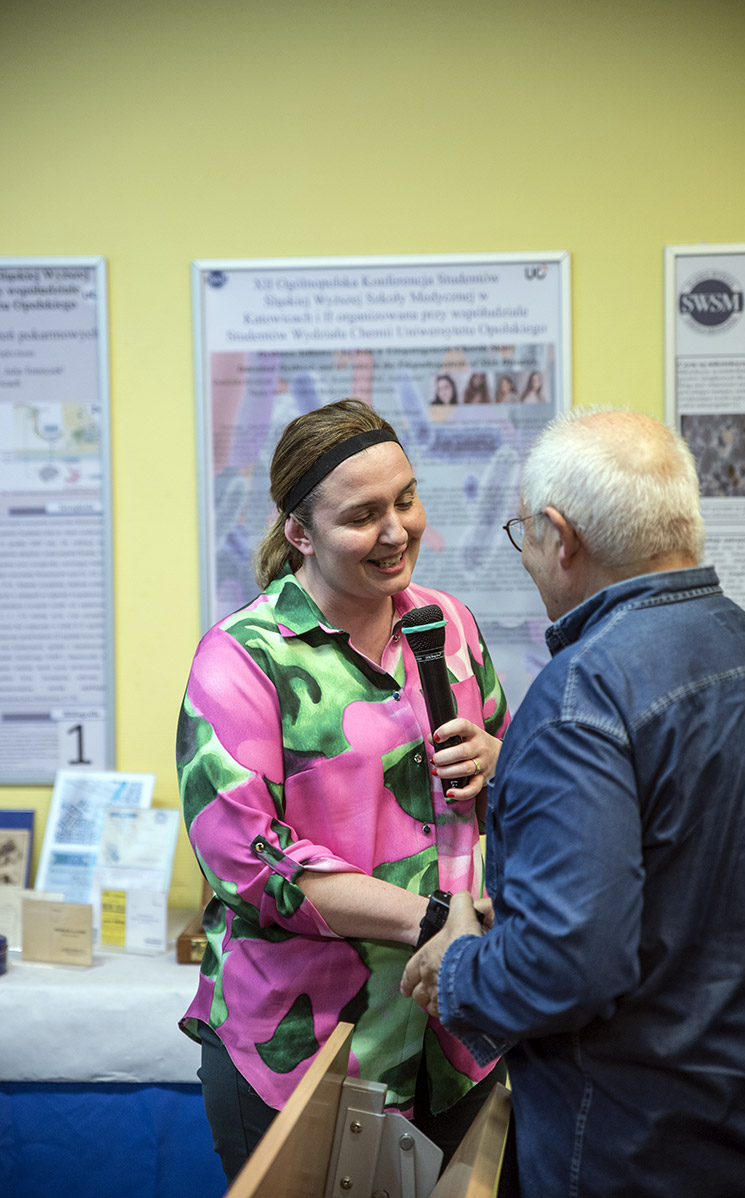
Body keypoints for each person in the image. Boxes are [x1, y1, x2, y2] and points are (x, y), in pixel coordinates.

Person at [402, 409, 745, 1197]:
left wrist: (460, 969)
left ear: (561, 536)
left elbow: (567, 967)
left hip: (635, 1149)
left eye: (524, 534)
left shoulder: (581, 698)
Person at [176, 398, 509, 1185]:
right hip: (304, 1053)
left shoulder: (449, 624)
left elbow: (514, 793)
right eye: (362, 516)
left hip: (454, 1040)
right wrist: (439, 921)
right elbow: (251, 863)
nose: (396, 531)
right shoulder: (242, 659)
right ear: (300, 532)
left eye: (405, 500)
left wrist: (502, 763)